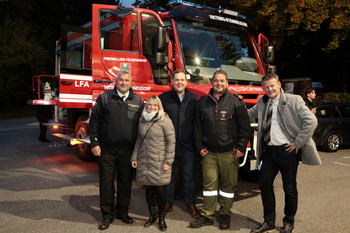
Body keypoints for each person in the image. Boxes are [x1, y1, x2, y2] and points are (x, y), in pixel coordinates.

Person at [248, 74, 322, 233]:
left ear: (279, 84)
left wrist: (298, 142)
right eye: (266, 87)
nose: (269, 89)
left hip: (287, 152)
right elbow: (247, 114)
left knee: (289, 188)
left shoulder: (294, 100)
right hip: (269, 152)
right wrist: (236, 104)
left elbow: (311, 121)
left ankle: (289, 221)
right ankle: (268, 221)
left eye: (272, 86)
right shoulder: (262, 101)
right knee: (264, 185)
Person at [190, 70, 251, 230]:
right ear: (212, 82)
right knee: (209, 186)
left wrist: (241, 147)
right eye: (216, 81)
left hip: (229, 152)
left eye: (222, 81)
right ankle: (207, 215)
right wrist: (199, 147)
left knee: (227, 186)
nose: (219, 84)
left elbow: (245, 128)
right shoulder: (203, 102)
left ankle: (225, 214)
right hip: (208, 153)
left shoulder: (236, 102)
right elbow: (197, 128)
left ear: (227, 82)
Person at [89, 70, 144, 231]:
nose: (124, 82)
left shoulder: (138, 100)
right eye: (121, 79)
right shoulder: (105, 98)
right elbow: (94, 122)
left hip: (128, 150)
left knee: (125, 183)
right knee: (106, 183)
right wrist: (94, 143)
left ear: (131, 81)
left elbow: (142, 125)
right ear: (116, 80)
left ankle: (122, 212)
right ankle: (107, 215)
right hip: (107, 149)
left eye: (127, 80)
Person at [158, 69, 199, 219]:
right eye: (177, 80)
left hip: (188, 146)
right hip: (169, 146)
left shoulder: (194, 99)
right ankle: (168, 202)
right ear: (172, 81)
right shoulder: (163, 98)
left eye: (182, 80)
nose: (179, 82)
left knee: (189, 176)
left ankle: (190, 204)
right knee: (168, 175)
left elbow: (197, 123)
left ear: (186, 82)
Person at [131, 95, 175, 231]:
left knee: (160, 192)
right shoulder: (142, 120)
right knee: (149, 191)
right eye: (149, 104)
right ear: (146, 106)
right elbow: (138, 140)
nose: (152, 107)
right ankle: (152, 215)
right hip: (144, 161)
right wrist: (134, 157)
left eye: (155, 105)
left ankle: (161, 217)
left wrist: (168, 161)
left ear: (159, 107)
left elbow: (171, 142)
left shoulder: (165, 120)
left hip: (159, 162)